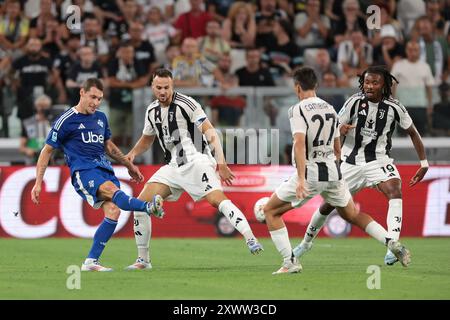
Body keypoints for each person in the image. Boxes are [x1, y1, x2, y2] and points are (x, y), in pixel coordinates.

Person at [263, 67, 411, 275]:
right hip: (334, 173)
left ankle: (290, 262)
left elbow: (299, 144)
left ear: (297, 87)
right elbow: (336, 144)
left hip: (312, 173)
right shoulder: (330, 108)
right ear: (315, 85)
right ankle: (390, 241)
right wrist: (338, 165)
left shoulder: (297, 109)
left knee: (270, 211)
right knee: (352, 214)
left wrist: (301, 180)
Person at [125, 68, 263, 270]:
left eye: (167, 87)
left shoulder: (187, 103)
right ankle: (143, 260)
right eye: (159, 87)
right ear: (152, 87)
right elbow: (147, 138)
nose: (163, 91)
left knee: (217, 201)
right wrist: (132, 154)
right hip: (172, 167)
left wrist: (221, 162)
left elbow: (210, 132)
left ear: (172, 86)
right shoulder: (151, 111)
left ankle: (250, 238)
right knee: (140, 206)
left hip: (196, 162)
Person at [293, 66, 428, 266]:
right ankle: (305, 243)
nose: (369, 86)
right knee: (329, 204)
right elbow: (332, 128)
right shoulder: (354, 102)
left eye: (375, 83)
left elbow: (413, 133)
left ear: (384, 85)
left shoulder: (395, 107)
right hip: (350, 161)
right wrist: (341, 128)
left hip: (378, 160)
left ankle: (393, 245)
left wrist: (423, 163)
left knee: (394, 189)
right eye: (366, 82)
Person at [31, 78, 161, 272]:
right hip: (83, 171)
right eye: (92, 97)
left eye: (99, 99)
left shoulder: (100, 117)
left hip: (103, 168)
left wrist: (128, 165)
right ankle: (149, 207)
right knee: (112, 190)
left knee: (113, 211)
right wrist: (38, 182)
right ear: (82, 93)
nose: (96, 102)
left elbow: (108, 146)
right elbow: (46, 151)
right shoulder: (66, 120)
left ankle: (90, 262)